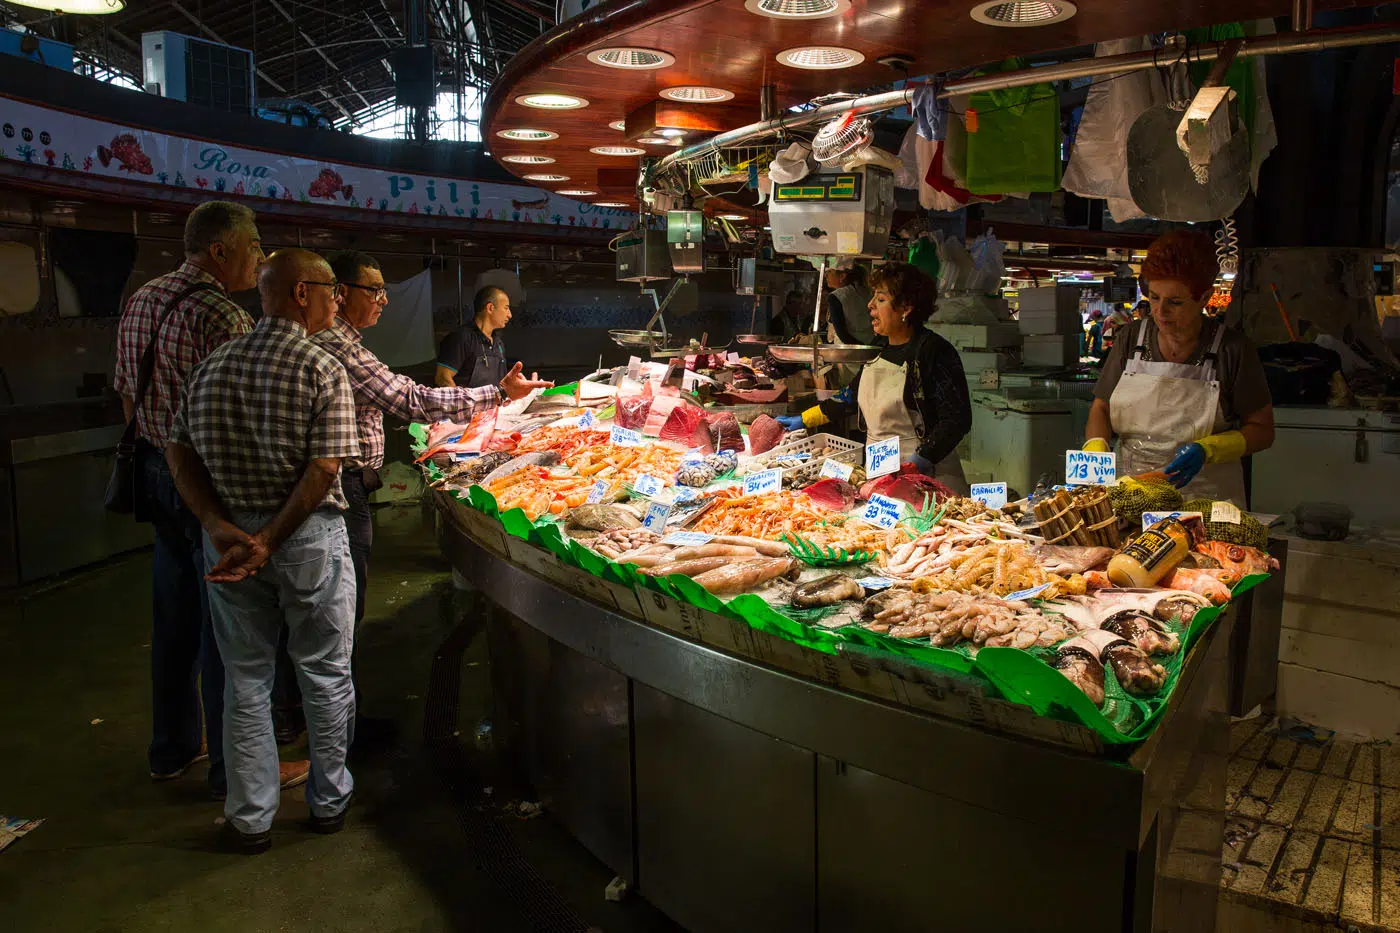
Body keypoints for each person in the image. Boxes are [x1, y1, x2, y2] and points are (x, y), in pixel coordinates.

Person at [313, 251, 551, 753]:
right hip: (335, 490)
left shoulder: (330, 343)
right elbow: (411, 398)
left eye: (384, 291)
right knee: (334, 615)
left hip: (334, 488)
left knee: (322, 616)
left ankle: (321, 726)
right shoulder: (335, 345)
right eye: (374, 291)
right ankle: (330, 737)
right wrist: (495, 397)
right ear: (335, 293)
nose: (382, 300)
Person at [165, 249, 360, 853]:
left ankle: (250, 818)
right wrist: (270, 539)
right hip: (305, 540)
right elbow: (325, 468)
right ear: (302, 293)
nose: (338, 300)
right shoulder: (321, 368)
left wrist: (217, 524)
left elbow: (178, 452)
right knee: (324, 673)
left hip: (227, 544)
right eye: (332, 289)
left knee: (245, 679)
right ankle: (328, 803)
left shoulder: (213, 366)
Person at [113, 201, 308, 798]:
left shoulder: (143, 298)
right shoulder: (222, 314)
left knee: (174, 615)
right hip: (207, 481)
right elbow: (242, 416)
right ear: (220, 250)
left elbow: (127, 394)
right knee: (234, 622)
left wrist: (159, 458)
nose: (259, 257)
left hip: (151, 468)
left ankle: (171, 748)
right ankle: (237, 769)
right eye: (253, 246)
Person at [1084, 229, 1274, 503]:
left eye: (1175, 302)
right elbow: (1101, 408)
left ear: (1205, 297)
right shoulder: (1130, 338)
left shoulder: (1232, 349)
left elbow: (1263, 430)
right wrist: (1096, 449)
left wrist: (1210, 449)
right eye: (1155, 297)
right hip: (1130, 492)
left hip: (1205, 497)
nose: (1160, 313)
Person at [777, 262, 972, 493]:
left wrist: (922, 460)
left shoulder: (933, 351)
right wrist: (805, 419)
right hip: (881, 474)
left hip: (929, 478)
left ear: (906, 307)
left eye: (880, 300)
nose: (870, 306)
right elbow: (850, 397)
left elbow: (957, 418)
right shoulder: (879, 348)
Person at [436, 286, 515, 388]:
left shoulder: (498, 343)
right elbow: (442, 378)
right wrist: (462, 402)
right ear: (490, 308)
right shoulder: (462, 337)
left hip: (496, 403)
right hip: (468, 403)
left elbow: (502, 384)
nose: (510, 315)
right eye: (506, 308)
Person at [823, 260, 876, 346]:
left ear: (842, 276)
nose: (826, 275)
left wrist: (859, 348)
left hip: (847, 351)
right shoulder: (867, 292)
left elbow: (842, 334)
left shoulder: (835, 297)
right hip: (871, 345)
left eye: (830, 271)